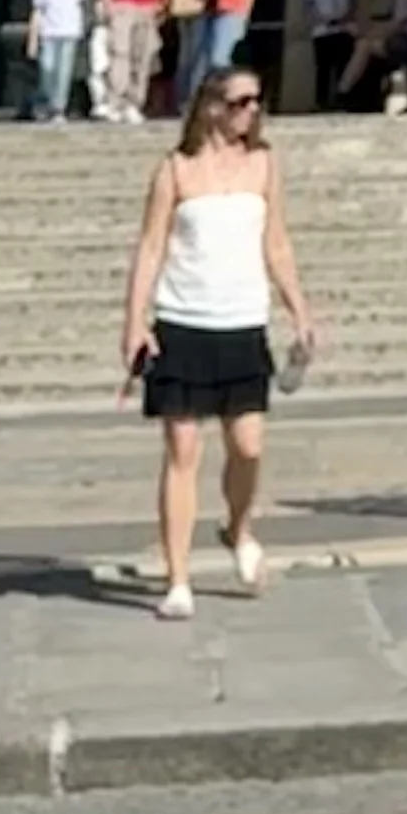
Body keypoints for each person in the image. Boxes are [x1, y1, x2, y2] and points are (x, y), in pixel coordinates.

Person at [121, 67, 319, 615]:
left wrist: (299, 309)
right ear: (210, 106)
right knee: (183, 449)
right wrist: (135, 321)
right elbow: (151, 247)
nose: (251, 112)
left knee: (248, 445)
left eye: (257, 102)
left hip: (242, 320)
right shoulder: (176, 171)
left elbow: (276, 241)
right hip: (184, 320)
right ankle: (178, 577)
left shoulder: (263, 165)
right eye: (240, 102)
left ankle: (238, 526)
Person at [21, 0, 92, 126]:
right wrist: (33, 38)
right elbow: (37, 12)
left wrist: (85, 28)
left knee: (64, 71)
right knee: (47, 68)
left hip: (69, 32)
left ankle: (58, 108)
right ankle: (44, 101)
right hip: (49, 32)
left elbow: (86, 5)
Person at [297, 0, 366, 116]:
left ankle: (341, 99)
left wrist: (345, 17)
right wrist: (319, 20)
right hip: (322, 30)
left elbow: (353, 1)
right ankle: (321, 102)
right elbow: (309, 5)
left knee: (343, 65)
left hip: (344, 28)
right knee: (323, 68)